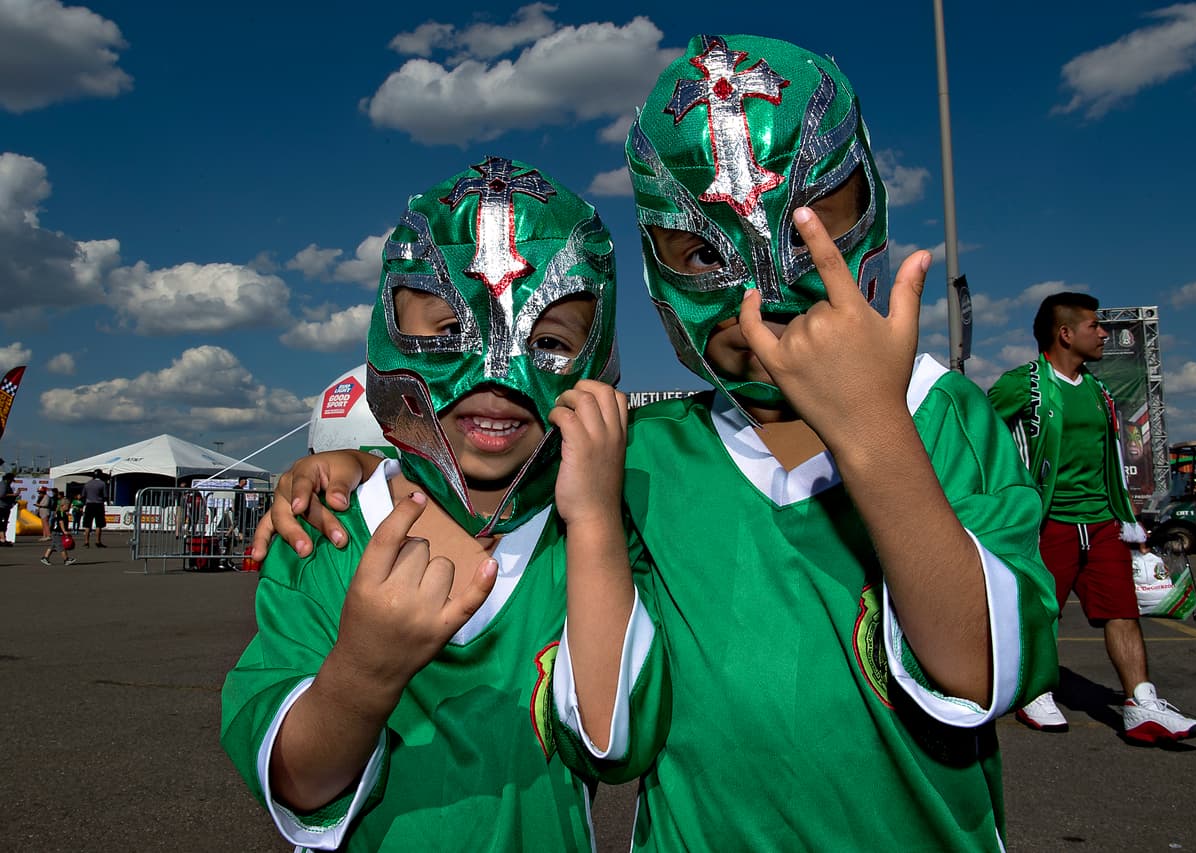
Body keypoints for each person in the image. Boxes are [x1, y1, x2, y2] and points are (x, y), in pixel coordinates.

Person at [261, 36, 1059, 851]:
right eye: (706, 253)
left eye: (816, 223)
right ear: (654, 268)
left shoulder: (941, 418)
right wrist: (361, 463)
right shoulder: (645, 456)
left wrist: (874, 428)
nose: (764, 302)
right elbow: (507, 489)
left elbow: (980, 670)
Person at [221, 157, 629, 851]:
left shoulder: (595, 534)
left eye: (549, 341)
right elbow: (299, 780)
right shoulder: (326, 533)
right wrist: (364, 671)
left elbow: (615, 738)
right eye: (446, 333)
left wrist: (595, 522)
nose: (496, 374)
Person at [989, 291, 1196, 744]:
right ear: (1065, 334)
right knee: (1042, 611)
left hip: (1103, 522)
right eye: (1094, 325)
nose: (1104, 333)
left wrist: (1132, 526)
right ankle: (1035, 690)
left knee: (1122, 611)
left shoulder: (1099, 391)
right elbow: (979, 433)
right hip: (1048, 522)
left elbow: (1109, 462)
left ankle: (1141, 702)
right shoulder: (1022, 383)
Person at [40, 499, 76, 566]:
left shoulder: (62, 513)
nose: (68, 507)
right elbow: (61, 522)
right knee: (61, 546)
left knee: (53, 546)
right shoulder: (61, 513)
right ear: (63, 506)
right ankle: (66, 560)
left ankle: (45, 558)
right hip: (57, 533)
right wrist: (64, 531)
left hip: (56, 532)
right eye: (67, 506)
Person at [81, 470, 108, 547]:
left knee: (87, 524)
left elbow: (83, 495)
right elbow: (105, 495)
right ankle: (98, 541)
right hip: (99, 504)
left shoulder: (87, 484)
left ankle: (86, 541)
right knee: (99, 524)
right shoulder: (102, 484)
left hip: (89, 504)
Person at [0, 472, 16, 546]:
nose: (11, 482)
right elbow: (2, 495)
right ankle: (3, 539)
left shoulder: (5, 485)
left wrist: (13, 500)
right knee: (2, 523)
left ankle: (3, 539)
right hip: (2, 507)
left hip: (5, 506)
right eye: (11, 480)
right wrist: (13, 495)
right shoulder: (4, 484)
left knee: (4, 523)